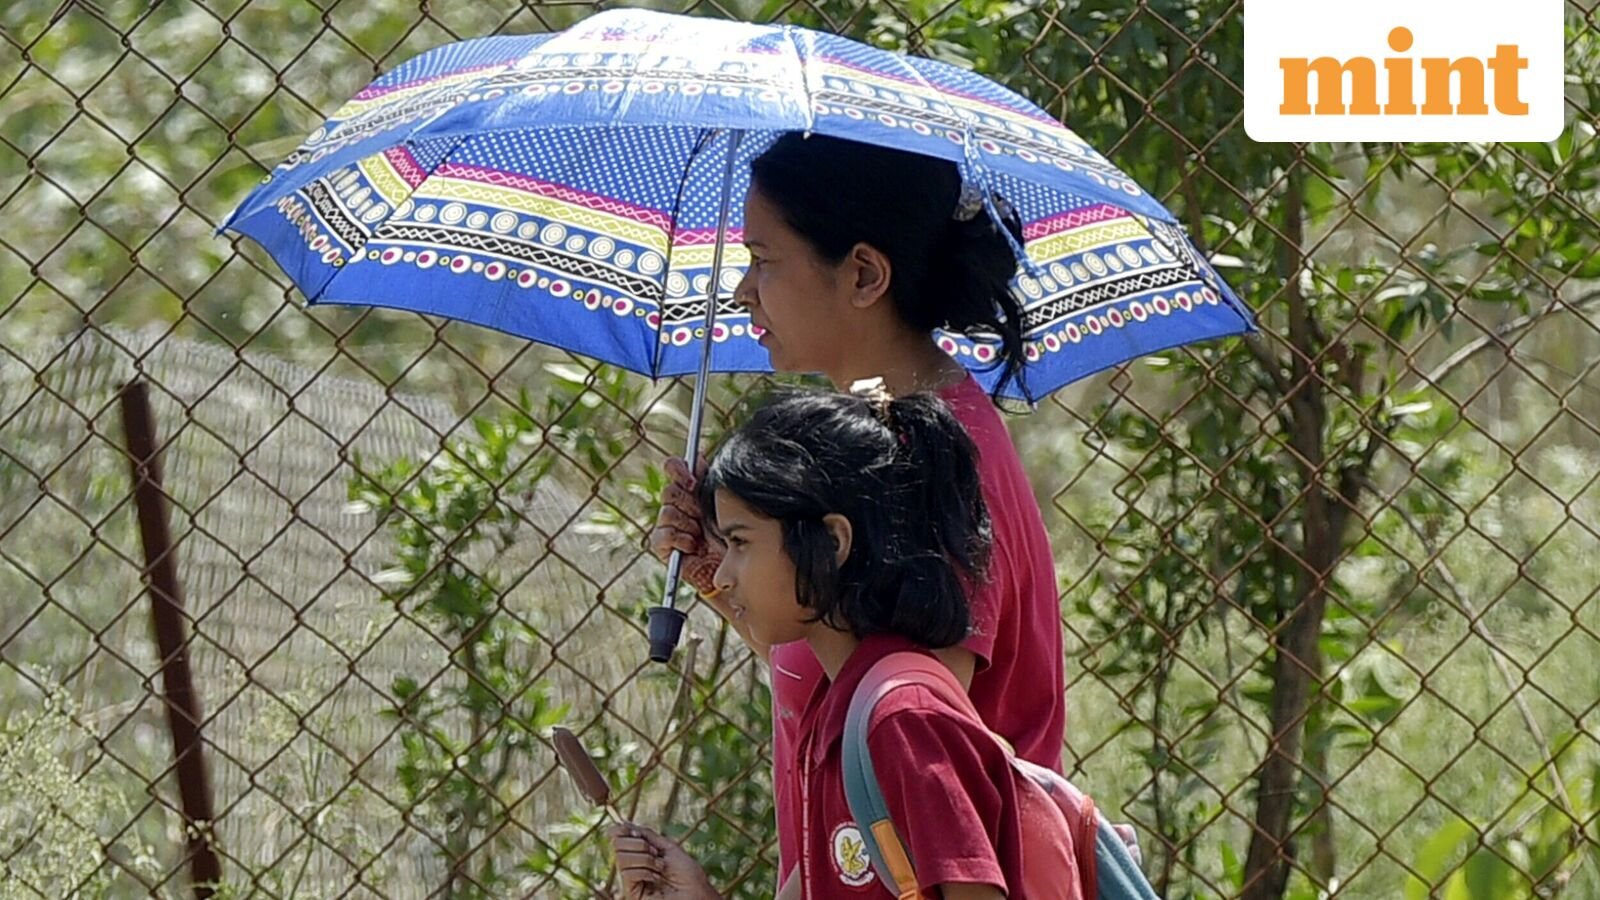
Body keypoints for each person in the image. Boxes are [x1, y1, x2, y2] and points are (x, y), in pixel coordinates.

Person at [648, 132, 1066, 885]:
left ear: (865, 274)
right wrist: (733, 565)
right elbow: (840, 669)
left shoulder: (938, 462)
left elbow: (904, 754)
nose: (742, 290)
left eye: (763, 259)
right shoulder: (880, 444)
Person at [617, 387, 1034, 899]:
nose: (721, 576)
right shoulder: (836, 712)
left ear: (833, 541)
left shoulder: (903, 717)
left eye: (740, 542)